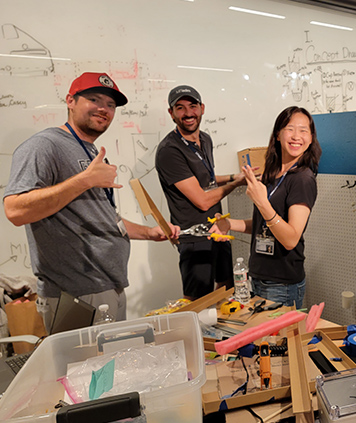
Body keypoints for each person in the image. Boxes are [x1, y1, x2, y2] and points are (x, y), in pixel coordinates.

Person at [3, 72, 179, 332]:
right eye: (94, 99)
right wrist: (84, 180)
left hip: (109, 286)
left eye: (110, 105)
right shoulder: (44, 145)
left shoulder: (91, 152)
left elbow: (103, 217)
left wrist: (148, 233)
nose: (104, 109)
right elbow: (15, 210)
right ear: (70, 101)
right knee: (81, 371)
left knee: (108, 368)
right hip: (76, 294)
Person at [214, 106, 321, 308]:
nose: (296, 136)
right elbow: (264, 224)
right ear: (278, 135)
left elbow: (290, 238)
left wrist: (262, 202)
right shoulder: (274, 174)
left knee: (278, 340)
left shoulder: (303, 179)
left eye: (303, 130)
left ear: (311, 137)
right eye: (290, 129)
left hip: (282, 284)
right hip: (259, 277)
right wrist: (229, 224)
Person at [156, 85, 246, 300]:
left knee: (227, 288)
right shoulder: (170, 151)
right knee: (199, 301)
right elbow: (203, 200)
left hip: (217, 226)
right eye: (180, 108)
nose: (188, 113)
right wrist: (234, 185)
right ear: (171, 113)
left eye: (193, 106)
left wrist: (236, 177)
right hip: (194, 237)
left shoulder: (205, 139)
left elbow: (206, 181)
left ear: (202, 108)